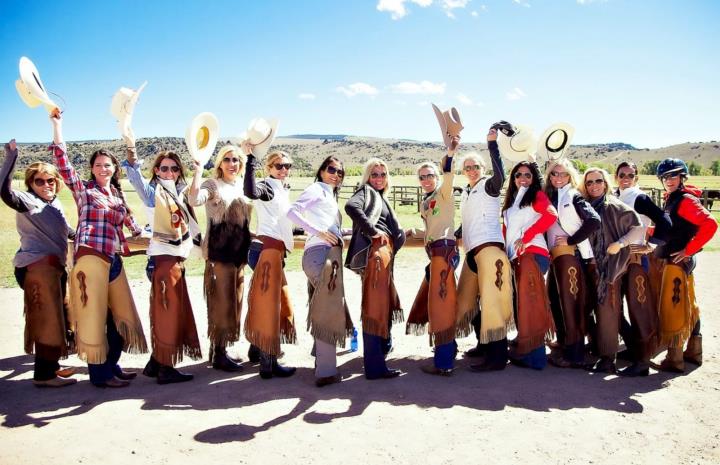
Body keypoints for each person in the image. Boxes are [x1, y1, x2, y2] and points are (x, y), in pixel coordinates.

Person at [50, 112, 147, 388]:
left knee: (117, 319)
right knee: (96, 318)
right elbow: (63, 163)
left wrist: (157, 235)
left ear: (114, 169)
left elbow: (134, 226)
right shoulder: (84, 191)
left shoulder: (116, 196)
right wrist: (57, 126)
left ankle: (112, 365)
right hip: (91, 260)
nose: (104, 169)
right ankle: (100, 375)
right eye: (99, 165)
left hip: (113, 262)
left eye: (108, 165)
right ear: (92, 168)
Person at [123, 146, 202, 384]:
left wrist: (198, 169)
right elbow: (134, 177)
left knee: (165, 312)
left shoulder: (178, 193)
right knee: (168, 314)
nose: (169, 172)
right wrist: (130, 148)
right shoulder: (152, 194)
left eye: (174, 168)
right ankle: (166, 368)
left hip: (174, 262)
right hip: (164, 262)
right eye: (164, 168)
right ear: (156, 170)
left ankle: (156, 362)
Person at [1, 139, 76, 387]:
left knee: (60, 315)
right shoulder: (27, 201)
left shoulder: (54, 203)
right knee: (47, 318)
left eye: (50, 180)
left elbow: (67, 231)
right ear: (31, 183)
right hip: (37, 269)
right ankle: (44, 376)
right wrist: (11, 157)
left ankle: (53, 365)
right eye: (39, 181)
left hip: (55, 268)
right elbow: (4, 191)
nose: (46, 185)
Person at [288, 156, 353, 387]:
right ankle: (326, 372)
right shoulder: (317, 188)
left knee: (323, 304)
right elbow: (293, 212)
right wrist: (319, 231)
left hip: (326, 255)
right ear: (322, 170)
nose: (336, 174)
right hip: (320, 254)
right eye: (332, 169)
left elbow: (330, 227)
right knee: (329, 307)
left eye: (340, 172)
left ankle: (321, 359)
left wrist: (350, 231)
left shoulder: (328, 194)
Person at [455, 125, 513, 372]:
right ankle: (484, 343)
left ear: (483, 169)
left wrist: (492, 144)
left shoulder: (490, 185)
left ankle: (497, 357)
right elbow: (468, 221)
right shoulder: (468, 192)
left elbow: (501, 173)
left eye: (475, 166)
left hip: (490, 251)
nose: (471, 170)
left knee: (492, 303)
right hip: (472, 253)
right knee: (466, 302)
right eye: (467, 167)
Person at [189, 145, 252, 372]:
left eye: (236, 160)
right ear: (219, 163)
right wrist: (197, 171)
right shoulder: (212, 185)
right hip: (218, 254)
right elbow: (195, 199)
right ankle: (219, 354)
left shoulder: (242, 188)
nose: (231, 164)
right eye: (227, 159)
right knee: (221, 304)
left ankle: (219, 349)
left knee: (234, 303)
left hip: (239, 256)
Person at [654, 158, 717, 373]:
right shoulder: (674, 199)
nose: (668, 180)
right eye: (665, 177)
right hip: (679, 259)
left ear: (682, 177)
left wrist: (689, 250)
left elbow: (710, 224)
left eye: (673, 176)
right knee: (689, 304)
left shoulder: (685, 200)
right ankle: (693, 351)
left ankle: (675, 359)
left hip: (678, 261)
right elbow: (675, 229)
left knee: (674, 307)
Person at [345, 158, 406, 380]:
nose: (379, 178)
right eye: (374, 174)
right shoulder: (366, 191)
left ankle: (378, 354)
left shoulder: (379, 197)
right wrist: (372, 232)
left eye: (382, 174)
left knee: (380, 303)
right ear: (367, 177)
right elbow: (351, 207)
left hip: (383, 255)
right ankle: (374, 365)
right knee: (375, 306)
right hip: (377, 255)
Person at [580, 167, 644, 374]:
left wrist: (620, 243)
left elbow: (638, 228)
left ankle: (608, 359)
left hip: (610, 268)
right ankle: (634, 353)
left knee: (608, 311)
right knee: (608, 312)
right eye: (589, 182)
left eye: (598, 181)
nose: (594, 185)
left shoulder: (615, 206)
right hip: (593, 266)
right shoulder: (587, 206)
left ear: (605, 183)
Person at [406, 137, 460, 376]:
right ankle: (449, 351)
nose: (426, 180)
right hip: (436, 252)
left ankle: (443, 362)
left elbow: (449, 175)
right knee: (443, 302)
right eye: (422, 177)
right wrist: (413, 232)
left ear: (436, 178)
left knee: (441, 306)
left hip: (444, 251)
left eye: (430, 176)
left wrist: (450, 153)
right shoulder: (425, 202)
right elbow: (431, 229)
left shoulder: (444, 193)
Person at [243, 147, 297, 379]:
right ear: (269, 167)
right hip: (267, 251)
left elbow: (282, 221)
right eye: (279, 166)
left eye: (287, 166)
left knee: (267, 301)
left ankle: (257, 349)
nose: (283, 170)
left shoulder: (280, 188)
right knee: (269, 305)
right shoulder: (266, 186)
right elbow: (251, 191)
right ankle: (268, 361)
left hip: (272, 250)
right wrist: (250, 161)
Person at [613, 161, 672, 376]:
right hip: (617, 259)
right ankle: (635, 349)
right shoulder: (616, 196)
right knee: (614, 308)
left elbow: (665, 221)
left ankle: (642, 362)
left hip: (636, 259)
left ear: (636, 177)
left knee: (639, 310)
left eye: (630, 174)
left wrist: (652, 244)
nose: (626, 177)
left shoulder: (640, 197)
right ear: (616, 176)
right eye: (622, 174)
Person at [543, 159, 600, 368]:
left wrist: (571, 240)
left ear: (570, 177)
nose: (558, 177)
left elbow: (594, 221)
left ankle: (575, 355)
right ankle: (567, 347)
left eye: (563, 174)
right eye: (554, 174)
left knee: (571, 306)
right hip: (556, 257)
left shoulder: (573, 196)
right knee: (556, 302)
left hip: (570, 257)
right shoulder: (553, 196)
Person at [501, 158, 557, 370]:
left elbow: (551, 215)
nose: (522, 179)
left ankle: (535, 357)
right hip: (519, 257)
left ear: (533, 178)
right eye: (518, 175)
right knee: (525, 304)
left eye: (527, 175)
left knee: (531, 304)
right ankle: (527, 349)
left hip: (532, 254)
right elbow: (508, 232)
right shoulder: (513, 201)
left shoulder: (536, 195)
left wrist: (527, 236)